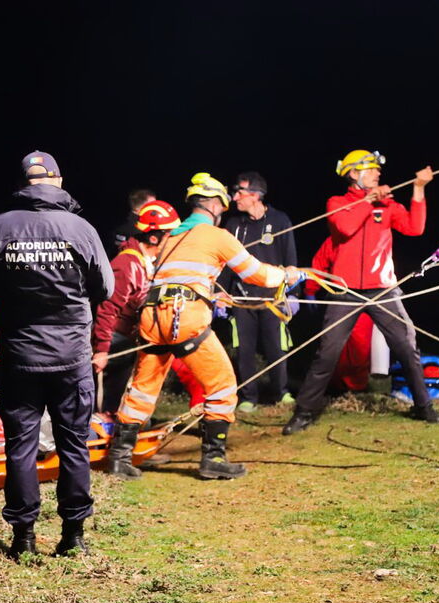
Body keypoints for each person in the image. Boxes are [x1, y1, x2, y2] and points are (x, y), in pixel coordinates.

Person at [109, 172, 302, 481]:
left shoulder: (170, 237)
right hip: (183, 317)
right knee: (223, 385)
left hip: (153, 316)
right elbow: (257, 275)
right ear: (214, 204)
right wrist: (288, 276)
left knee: (143, 389)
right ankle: (213, 457)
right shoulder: (217, 235)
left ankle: (119, 458)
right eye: (222, 208)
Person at [0, 150, 113, 558]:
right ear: (56, 181)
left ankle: (23, 538)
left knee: (19, 446)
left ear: (24, 183)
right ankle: (73, 537)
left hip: (19, 356)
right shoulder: (80, 228)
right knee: (73, 444)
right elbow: (105, 288)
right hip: (71, 356)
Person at [282, 150, 439, 435]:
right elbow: (344, 227)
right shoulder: (337, 204)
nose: (378, 174)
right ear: (354, 174)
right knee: (327, 354)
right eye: (371, 170)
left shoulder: (388, 205)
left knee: (407, 347)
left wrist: (418, 189)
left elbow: (415, 228)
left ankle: (424, 407)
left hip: (383, 290)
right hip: (345, 292)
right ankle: (304, 412)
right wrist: (369, 201)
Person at [217, 171, 298, 412]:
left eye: (239, 192)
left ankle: (281, 392)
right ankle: (248, 396)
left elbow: (290, 258)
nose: (234, 197)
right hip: (242, 298)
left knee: (276, 346)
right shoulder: (234, 225)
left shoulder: (280, 220)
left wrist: (292, 293)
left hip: (273, 297)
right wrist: (220, 293)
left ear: (255, 195)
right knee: (244, 349)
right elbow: (225, 264)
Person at [92, 200, 181, 414]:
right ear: (153, 237)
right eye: (169, 234)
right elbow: (107, 308)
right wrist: (102, 350)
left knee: (116, 398)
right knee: (99, 398)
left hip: (127, 341)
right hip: (113, 340)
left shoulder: (146, 262)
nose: (172, 239)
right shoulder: (127, 264)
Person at [306, 236, 374, 392]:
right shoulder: (336, 239)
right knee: (332, 345)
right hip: (340, 296)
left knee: (361, 346)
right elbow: (320, 263)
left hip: (367, 297)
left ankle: (357, 387)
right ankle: (333, 386)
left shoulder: (374, 237)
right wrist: (311, 290)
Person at [106, 188, 157, 257]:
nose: (156, 208)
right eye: (153, 205)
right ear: (140, 207)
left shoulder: (121, 225)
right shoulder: (138, 230)